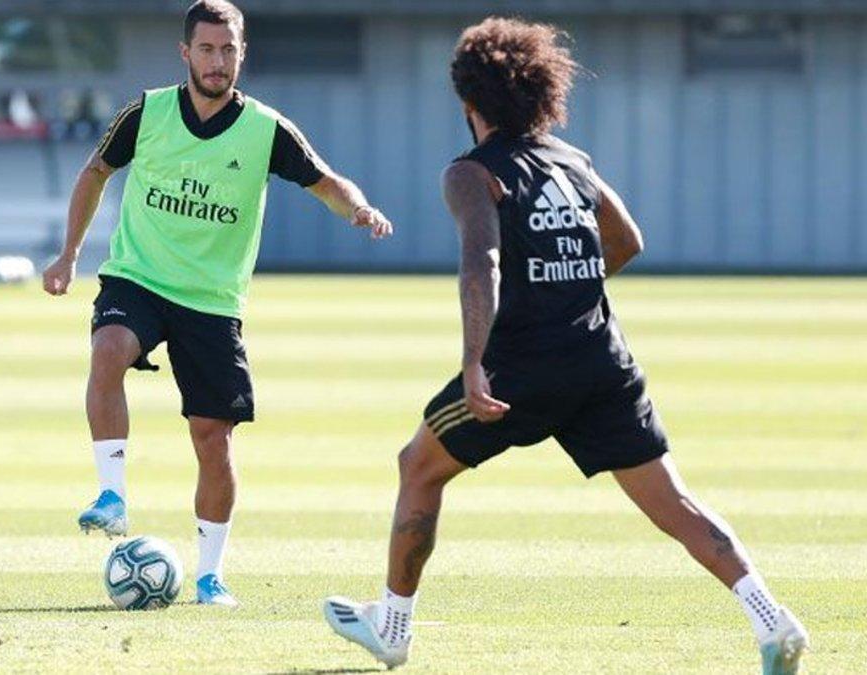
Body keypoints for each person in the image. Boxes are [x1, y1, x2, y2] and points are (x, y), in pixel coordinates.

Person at [322, 17, 808, 674]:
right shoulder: (571, 161)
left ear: (470, 103)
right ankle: (774, 620)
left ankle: (394, 626)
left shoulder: (471, 173)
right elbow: (627, 239)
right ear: (537, 94)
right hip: (603, 360)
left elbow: (481, 265)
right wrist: (567, 284)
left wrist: (473, 364)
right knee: (674, 501)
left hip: (520, 370)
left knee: (418, 464)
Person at [42, 0, 392, 608]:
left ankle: (209, 576)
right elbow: (94, 171)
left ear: (241, 54)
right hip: (139, 278)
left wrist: (357, 207)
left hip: (211, 300)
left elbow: (325, 180)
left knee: (213, 437)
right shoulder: (146, 112)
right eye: (206, 49)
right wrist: (69, 254)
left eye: (228, 50)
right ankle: (112, 495)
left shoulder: (265, 128)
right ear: (186, 53)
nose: (217, 61)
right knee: (109, 350)